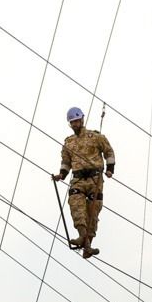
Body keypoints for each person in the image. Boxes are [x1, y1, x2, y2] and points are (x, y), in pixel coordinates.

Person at [51, 106, 115, 259]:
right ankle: (83, 238)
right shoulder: (69, 143)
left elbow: (109, 152)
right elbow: (66, 162)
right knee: (76, 206)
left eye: (77, 121)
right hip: (78, 179)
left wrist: (110, 169)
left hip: (95, 179)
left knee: (93, 211)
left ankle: (88, 243)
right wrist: (61, 175)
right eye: (72, 122)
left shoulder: (96, 137)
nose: (75, 124)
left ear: (82, 120)